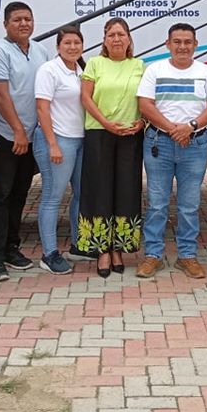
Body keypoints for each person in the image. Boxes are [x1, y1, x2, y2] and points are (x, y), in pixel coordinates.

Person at [136, 23, 207, 279]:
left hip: (194, 145)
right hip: (159, 143)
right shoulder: (155, 70)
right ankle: (153, 255)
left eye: (187, 42)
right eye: (177, 42)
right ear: (168, 44)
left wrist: (190, 127)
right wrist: (174, 129)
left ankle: (187, 256)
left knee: (189, 205)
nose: (182, 47)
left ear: (195, 45)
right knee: (157, 204)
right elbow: (145, 105)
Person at [0, 2, 51, 281]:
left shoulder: (40, 50)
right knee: (0, 195)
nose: (23, 24)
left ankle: (11, 247)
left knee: (20, 194)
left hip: (32, 136)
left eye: (28, 19)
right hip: (7, 135)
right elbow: (0, 95)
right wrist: (18, 131)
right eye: (17, 19)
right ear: (5, 24)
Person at [77, 18, 145, 278]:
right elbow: (85, 98)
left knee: (126, 191)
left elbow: (146, 100)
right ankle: (102, 250)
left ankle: (118, 248)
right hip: (99, 133)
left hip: (130, 135)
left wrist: (143, 121)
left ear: (129, 38)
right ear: (104, 40)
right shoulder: (95, 63)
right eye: (111, 35)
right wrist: (106, 123)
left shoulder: (139, 66)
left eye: (121, 34)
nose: (116, 39)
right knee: (100, 191)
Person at [34, 26, 86, 275]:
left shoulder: (81, 70)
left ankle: (78, 244)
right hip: (57, 140)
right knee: (53, 197)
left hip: (80, 140)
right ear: (57, 46)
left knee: (81, 194)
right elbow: (42, 108)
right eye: (67, 43)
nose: (72, 47)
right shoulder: (49, 70)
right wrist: (52, 143)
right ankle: (49, 254)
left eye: (77, 43)